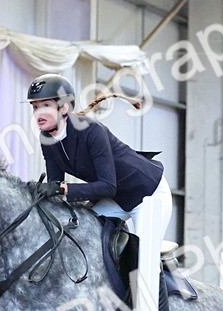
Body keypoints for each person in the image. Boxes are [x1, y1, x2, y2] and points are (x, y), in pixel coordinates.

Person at [27, 74, 171, 224]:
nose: (38, 113)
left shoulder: (92, 130)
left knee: (146, 249)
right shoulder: (47, 139)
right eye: (35, 107)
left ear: (64, 108)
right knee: (80, 232)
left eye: (46, 106)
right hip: (115, 200)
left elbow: (108, 186)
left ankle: (157, 248)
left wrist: (63, 189)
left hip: (147, 193)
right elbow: (55, 186)